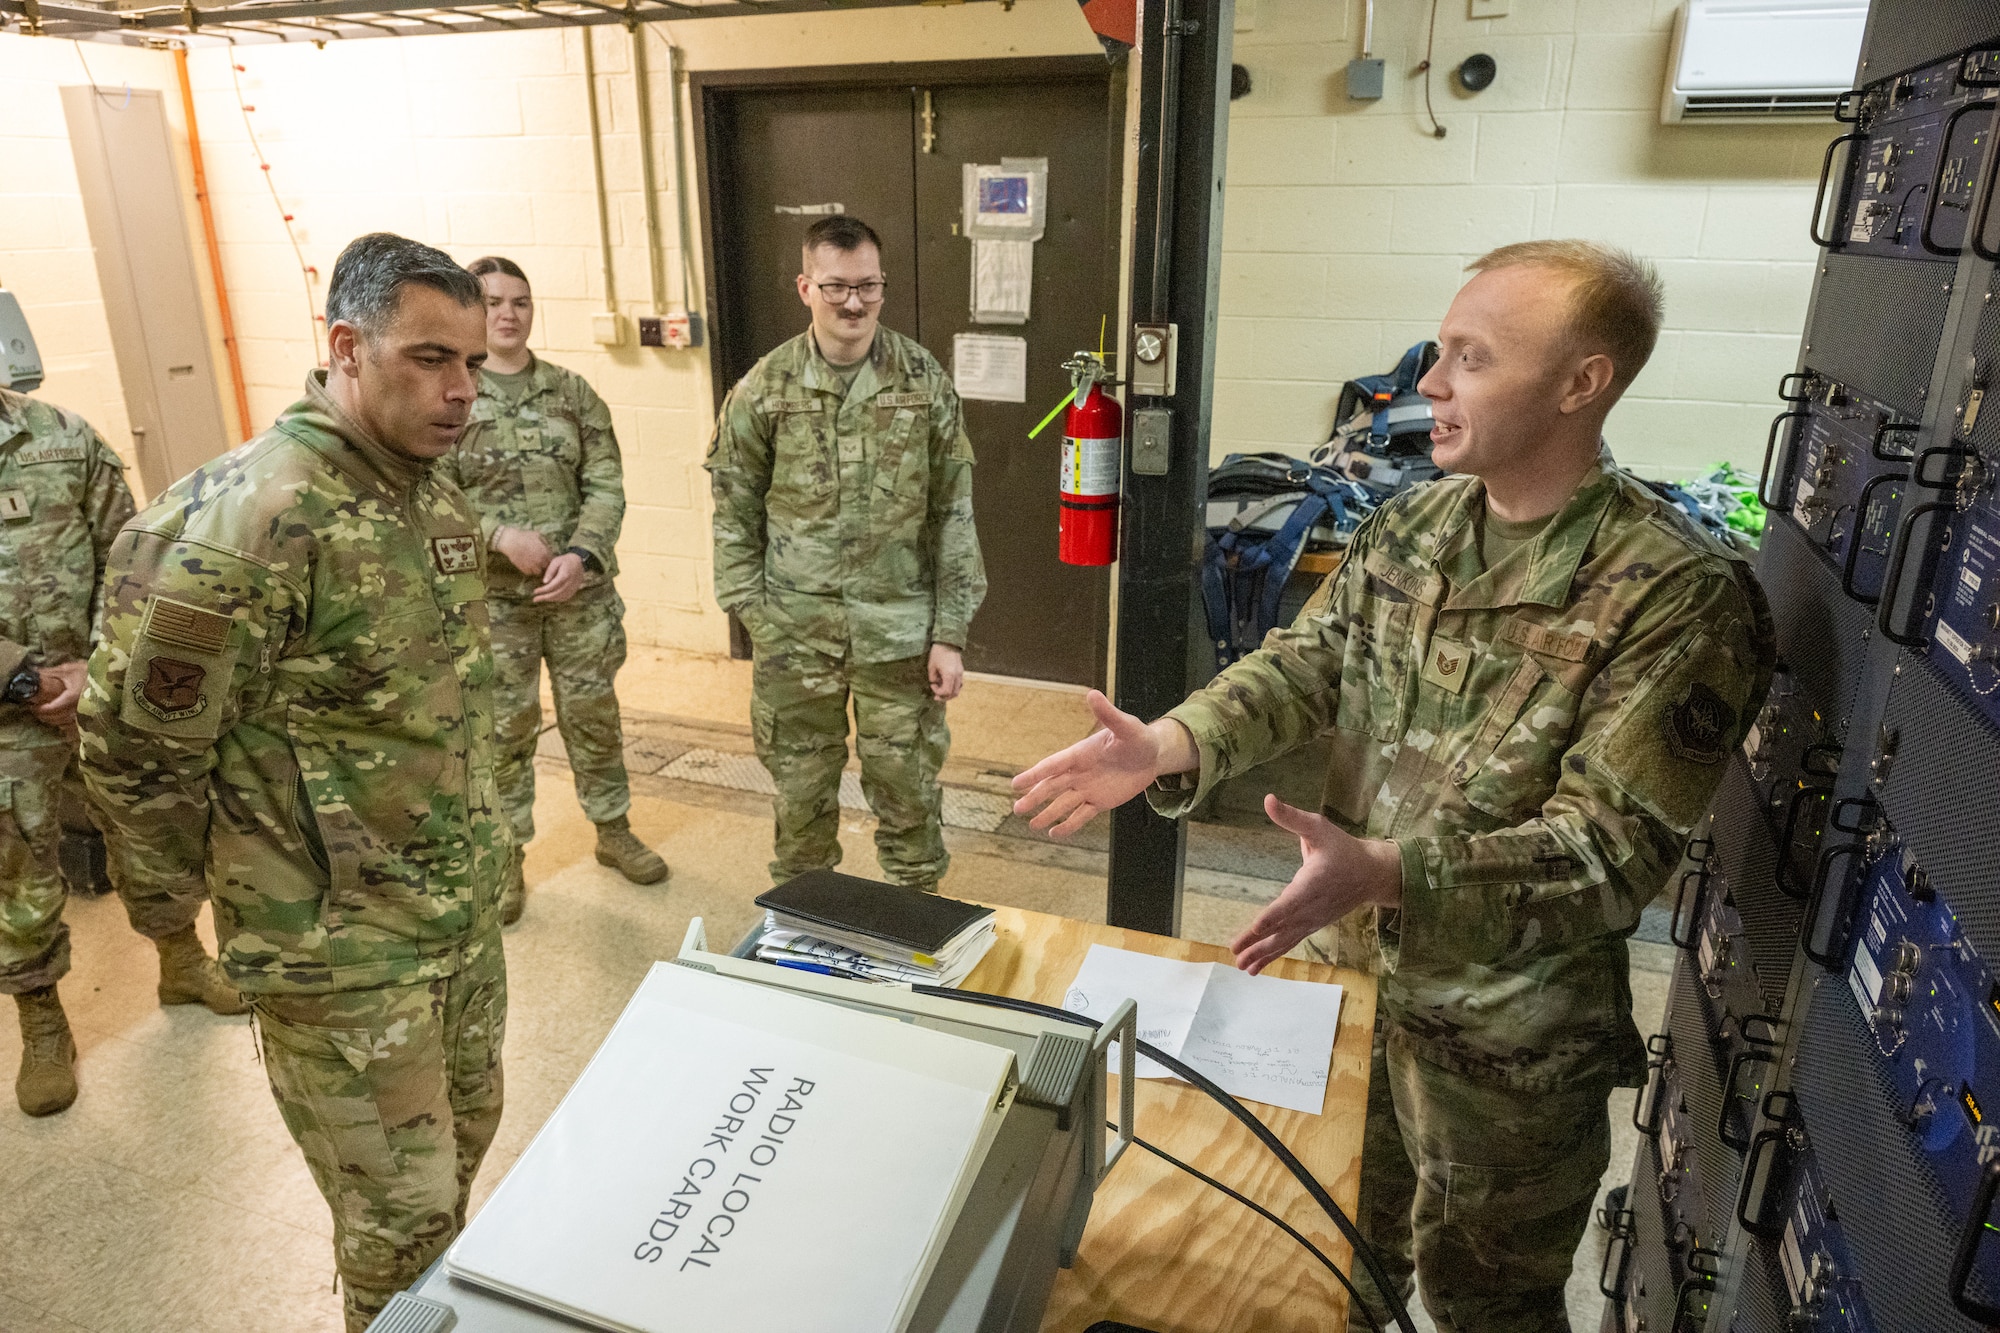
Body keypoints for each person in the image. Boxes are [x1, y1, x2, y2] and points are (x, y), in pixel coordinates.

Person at [1011, 240, 1776, 1331]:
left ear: (1578, 383)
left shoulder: (1676, 595)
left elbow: (1607, 857)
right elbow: (1307, 665)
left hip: (1503, 1056)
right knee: (1319, 1264)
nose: (1427, 382)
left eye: (1468, 357)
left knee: (1485, 1307)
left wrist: (1382, 870)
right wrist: (1170, 742)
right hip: (1351, 998)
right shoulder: (1414, 523)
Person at [79, 233, 508, 1332]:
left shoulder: (424, 495)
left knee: (457, 1167)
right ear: (346, 348)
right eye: (429, 359)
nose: (461, 390)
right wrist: (199, 917)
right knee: (400, 1231)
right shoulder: (247, 522)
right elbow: (137, 753)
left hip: (451, 921)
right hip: (335, 953)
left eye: (471, 362)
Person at [706, 214, 986, 890]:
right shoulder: (764, 388)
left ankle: (918, 925)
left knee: (908, 790)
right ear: (806, 286)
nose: (853, 302)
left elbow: (953, 512)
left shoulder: (922, 380)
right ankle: (807, 928)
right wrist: (759, 619)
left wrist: (950, 634)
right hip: (795, 636)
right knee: (800, 794)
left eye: (868, 286)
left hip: (900, 633)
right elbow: (732, 515)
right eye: (835, 287)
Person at [1, 386, 244, 1117]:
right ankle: (41, 1018)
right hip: (6, 714)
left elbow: (133, 553)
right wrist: (19, 674)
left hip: (99, 688)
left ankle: (181, 960)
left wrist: (102, 660)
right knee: (14, 865)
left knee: (150, 828)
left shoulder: (65, 436)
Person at [439, 255, 665, 925]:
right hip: (492, 603)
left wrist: (582, 553)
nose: (508, 313)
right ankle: (507, 857)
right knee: (503, 728)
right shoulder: (454, 394)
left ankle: (613, 829)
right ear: (472, 311)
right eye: (493, 301)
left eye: (520, 301)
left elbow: (606, 482)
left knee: (593, 715)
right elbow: (431, 497)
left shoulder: (572, 393)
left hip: (579, 595)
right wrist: (498, 534)